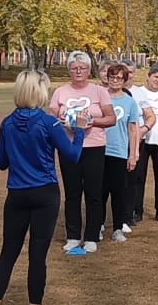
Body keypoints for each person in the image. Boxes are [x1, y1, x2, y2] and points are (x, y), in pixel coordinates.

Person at [0, 70, 85, 305]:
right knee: (37, 255)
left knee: (8, 252)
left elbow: (1, 162)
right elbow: (72, 155)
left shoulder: (7, 123)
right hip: (44, 192)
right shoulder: (48, 122)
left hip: (16, 193)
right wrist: (80, 131)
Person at [49, 51, 114, 252]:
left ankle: (92, 236)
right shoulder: (60, 92)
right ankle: (73, 236)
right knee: (72, 193)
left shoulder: (99, 91)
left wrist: (91, 121)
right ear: (69, 70)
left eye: (82, 68)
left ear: (88, 70)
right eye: (74, 68)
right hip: (69, 147)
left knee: (94, 192)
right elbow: (49, 119)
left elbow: (111, 118)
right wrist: (60, 123)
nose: (78, 71)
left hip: (93, 146)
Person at [131, 62, 158, 223]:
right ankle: (137, 211)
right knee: (139, 177)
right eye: (155, 77)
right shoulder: (138, 93)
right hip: (142, 140)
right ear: (148, 77)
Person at [102, 63, 141, 242]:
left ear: (124, 80)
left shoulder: (129, 101)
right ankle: (97, 226)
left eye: (119, 78)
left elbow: (133, 129)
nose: (115, 80)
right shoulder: (101, 97)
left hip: (118, 151)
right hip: (99, 150)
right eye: (112, 77)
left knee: (119, 192)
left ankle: (118, 228)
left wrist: (133, 154)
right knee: (99, 193)